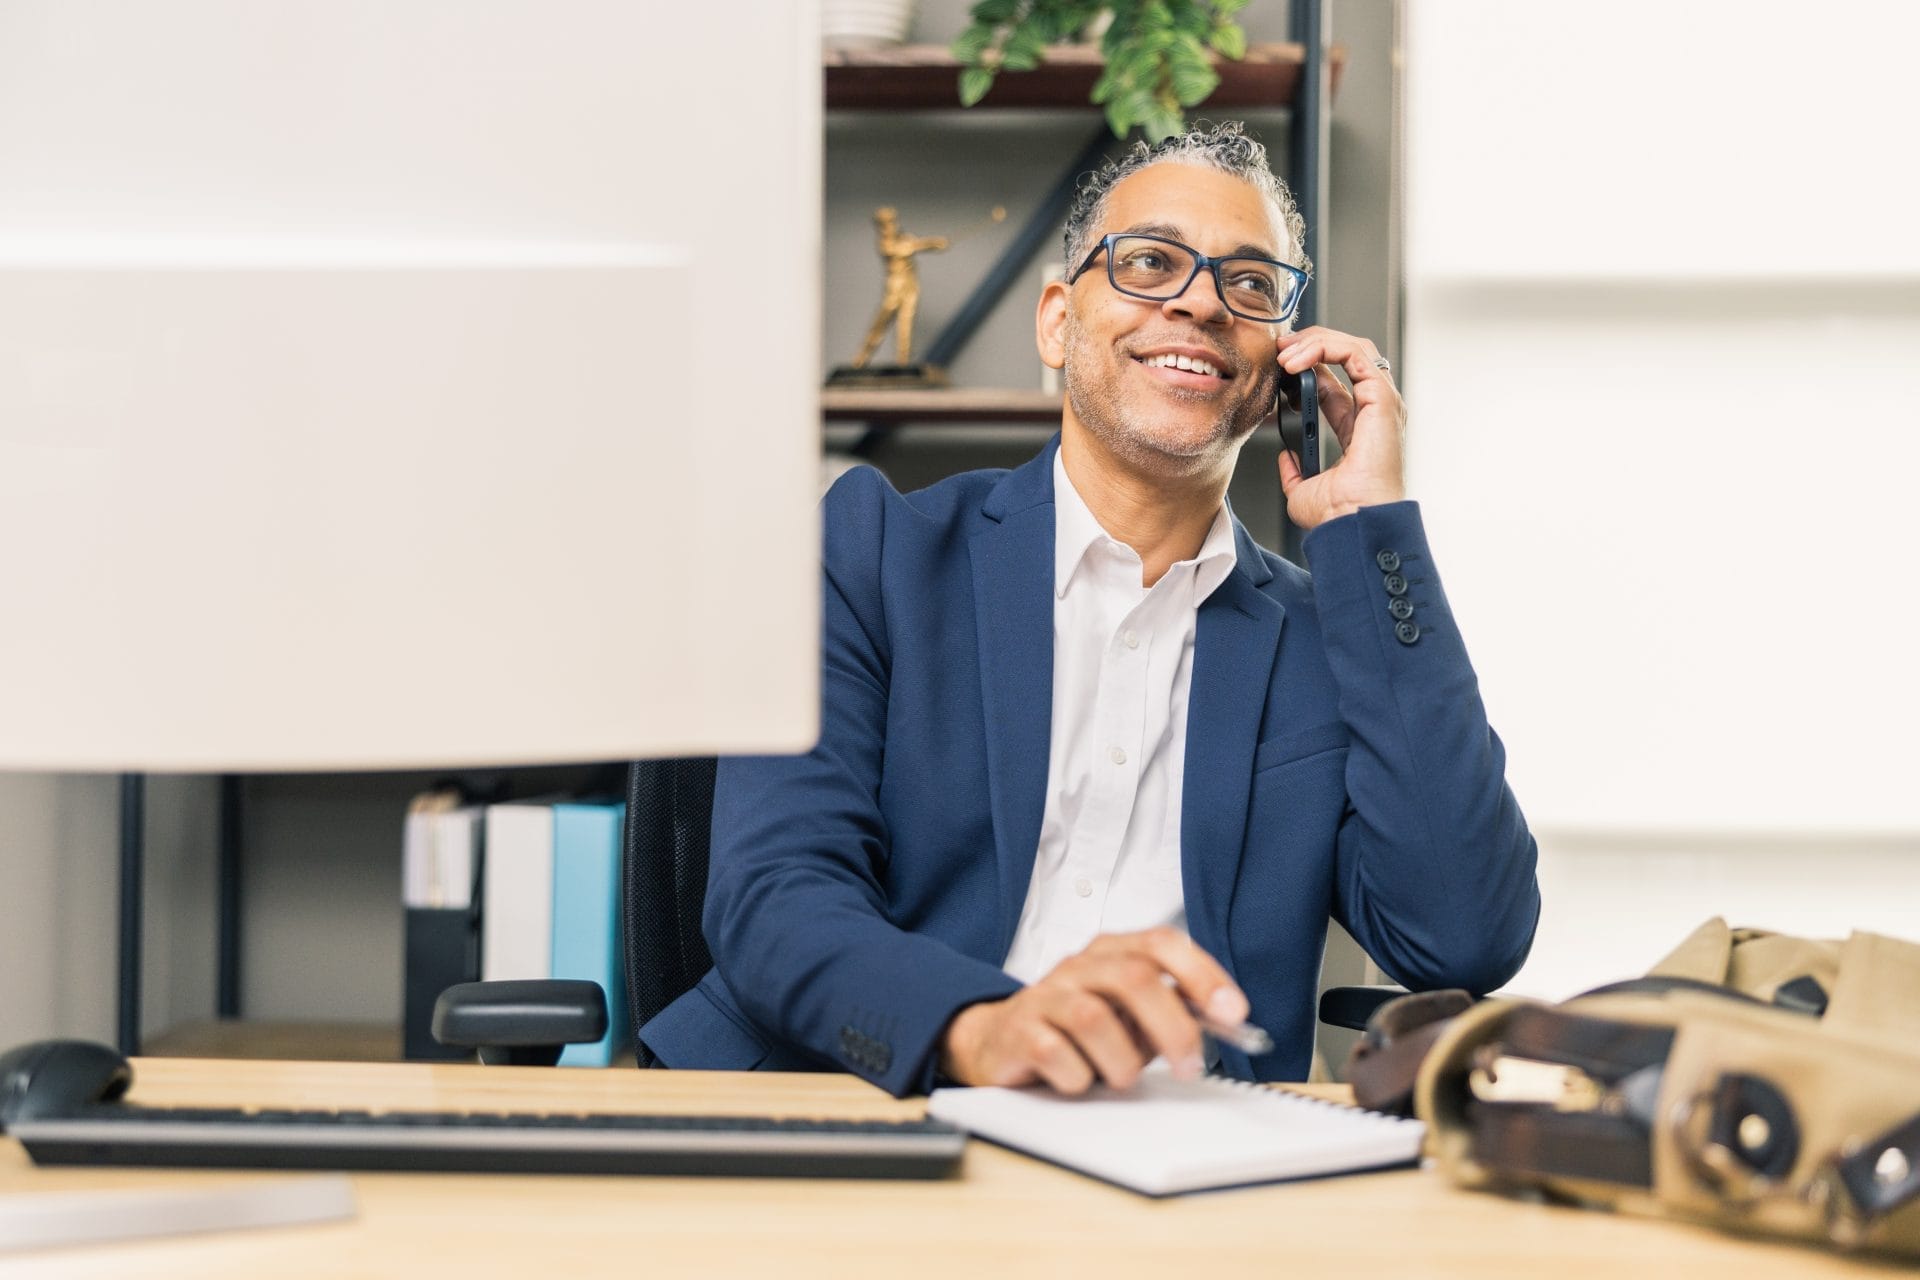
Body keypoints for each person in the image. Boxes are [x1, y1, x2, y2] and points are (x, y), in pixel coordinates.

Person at [639, 122, 1540, 1098]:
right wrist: (979, 1029)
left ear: (1282, 356)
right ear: (1058, 321)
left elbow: (1464, 935)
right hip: (877, 1110)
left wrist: (1372, 530)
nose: (1200, 300)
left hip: (1187, 1165)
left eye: (1248, 283)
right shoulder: (872, 548)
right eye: (1152, 262)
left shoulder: (1332, 633)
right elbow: (774, 897)